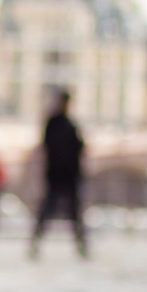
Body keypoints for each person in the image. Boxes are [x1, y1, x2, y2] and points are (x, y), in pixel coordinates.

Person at [29, 89, 88, 258]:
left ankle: (81, 246)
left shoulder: (68, 124)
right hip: (58, 174)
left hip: (68, 175)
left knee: (73, 213)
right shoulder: (56, 124)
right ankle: (36, 242)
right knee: (49, 210)